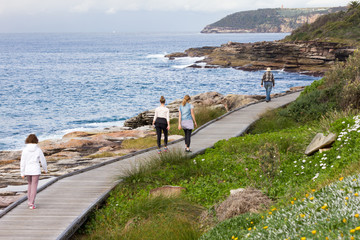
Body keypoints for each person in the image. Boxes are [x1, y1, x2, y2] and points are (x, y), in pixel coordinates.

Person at [20, 134, 47, 209]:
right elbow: (43, 161)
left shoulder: (25, 150)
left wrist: (22, 172)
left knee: (29, 185)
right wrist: (45, 169)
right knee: (34, 187)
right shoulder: (38, 149)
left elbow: (22, 162)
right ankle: (31, 203)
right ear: (36, 140)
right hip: (35, 170)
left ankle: (29, 201)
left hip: (27, 170)